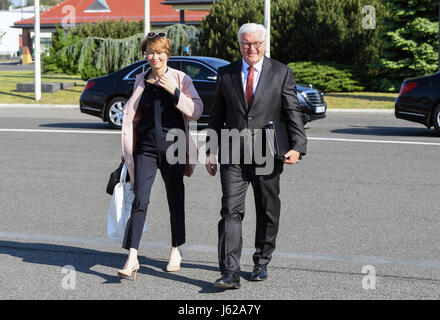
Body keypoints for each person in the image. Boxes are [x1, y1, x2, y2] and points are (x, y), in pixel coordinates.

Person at [205, 23, 307, 289]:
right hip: (232, 153)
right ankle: (230, 272)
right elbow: (216, 114)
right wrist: (210, 150)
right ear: (239, 44)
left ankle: (261, 261)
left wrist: (298, 145)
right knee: (230, 211)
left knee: (267, 209)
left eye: (256, 44)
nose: (251, 48)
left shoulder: (281, 72)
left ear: (264, 43)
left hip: (268, 153)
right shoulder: (225, 73)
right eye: (246, 44)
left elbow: (292, 111)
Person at [118, 32, 203, 280]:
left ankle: (176, 249)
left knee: (175, 198)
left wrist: (175, 92)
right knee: (139, 200)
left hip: (174, 147)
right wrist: (127, 149)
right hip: (145, 147)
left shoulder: (181, 78)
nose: (154, 57)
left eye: (159, 52)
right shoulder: (140, 79)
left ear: (168, 54)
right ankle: (132, 256)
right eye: (150, 52)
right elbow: (134, 115)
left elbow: (197, 110)